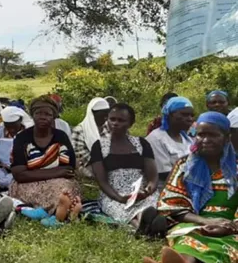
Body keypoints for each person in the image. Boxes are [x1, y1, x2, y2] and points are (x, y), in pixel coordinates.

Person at [146, 112, 238, 263]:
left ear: (226, 138)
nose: (206, 140)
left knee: (218, 251)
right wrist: (206, 222)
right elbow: (171, 205)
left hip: (232, 228)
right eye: (201, 135)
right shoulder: (185, 166)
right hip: (194, 223)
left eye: (213, 135)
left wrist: (228, 227)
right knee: (187, 242)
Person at [89, 104, 165, 236]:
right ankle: (145, 229)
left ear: (131, 123)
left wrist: (147, 191)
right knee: (122, 209)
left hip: (141, 190)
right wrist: (119, 197)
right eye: (112, 119)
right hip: (113, 193)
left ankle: (144, 224)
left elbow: (153, 176)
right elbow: (102, 181)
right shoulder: (99, 146)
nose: (115, 123)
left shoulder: (141, 143)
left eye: (121, 120)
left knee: (148, 206)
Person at [10, 96, 83, 225]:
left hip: (56, 181)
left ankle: (58, 214)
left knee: (65, 188)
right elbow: (19, 174)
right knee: (58, 188)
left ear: (54, 117)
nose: (42, 117)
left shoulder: (61, 136)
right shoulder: (22, 138)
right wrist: (57, 172)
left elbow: (69, 169)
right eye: (38, 113)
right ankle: (63, 214)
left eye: (48, 114)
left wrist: (34, 173)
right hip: (27, 183)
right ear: (32, 115)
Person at [146, 97, 195, 184]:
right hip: (168, 191)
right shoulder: (156, 139)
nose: (190, 119)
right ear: (170, 115)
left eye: (191, 115)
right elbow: (164, 174)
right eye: (184, 114)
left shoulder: (187, 139)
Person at [71, 98, 111, 178]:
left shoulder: (109, 127)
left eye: (107, 114)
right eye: (102, 115)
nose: (106, 118)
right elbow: (82, 158)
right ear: (92, 114)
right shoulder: (79, 131)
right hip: (89, 165)